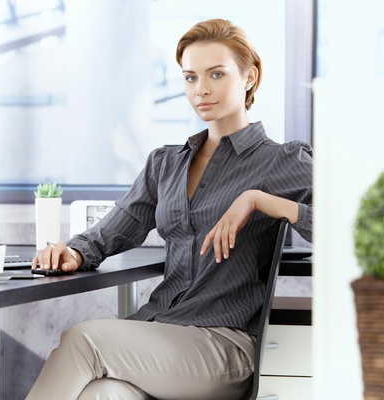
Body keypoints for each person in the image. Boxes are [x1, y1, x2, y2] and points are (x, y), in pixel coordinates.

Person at [27, 18, 312, 400]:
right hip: (162, 330)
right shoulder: (166, 164)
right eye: (190, 77)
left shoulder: (282, 160)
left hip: (224, 345)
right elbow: (114, 229)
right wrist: (75, 251)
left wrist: (259, 199)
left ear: (249, 78)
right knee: (103, 394)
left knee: (83, 340)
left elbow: (348, 232)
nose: (201, 90)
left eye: (216, 74)